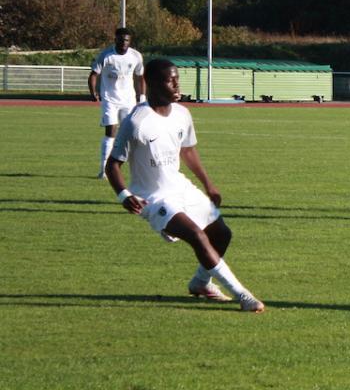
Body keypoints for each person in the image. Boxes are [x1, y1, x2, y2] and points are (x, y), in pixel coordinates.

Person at [105, 57, 265, 312]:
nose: (177, 85)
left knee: (222, 233)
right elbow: (113, 164)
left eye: (178, 79)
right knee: (196, 235)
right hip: (153, 197)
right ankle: (243, 296)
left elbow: (188, 151)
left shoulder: (182, 114)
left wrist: (208, 184)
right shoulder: (136, 122)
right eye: (171, 81)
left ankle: (201, 282)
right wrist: (124, 195)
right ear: (152, 83)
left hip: (181, 187)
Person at [88, 27, 145, 178]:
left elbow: (140, 76)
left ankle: (134, 169)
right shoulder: (106, 55)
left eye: (126, 40)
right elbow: (93, 74)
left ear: (130, 41)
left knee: (130, 134)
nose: (124, 43)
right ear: (115, 40)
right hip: (110, 99)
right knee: (111, 131)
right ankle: (104, 170)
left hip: (128, 100)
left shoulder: (136, 56)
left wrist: (142, 97)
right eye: (121, 40)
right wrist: (93, 92)